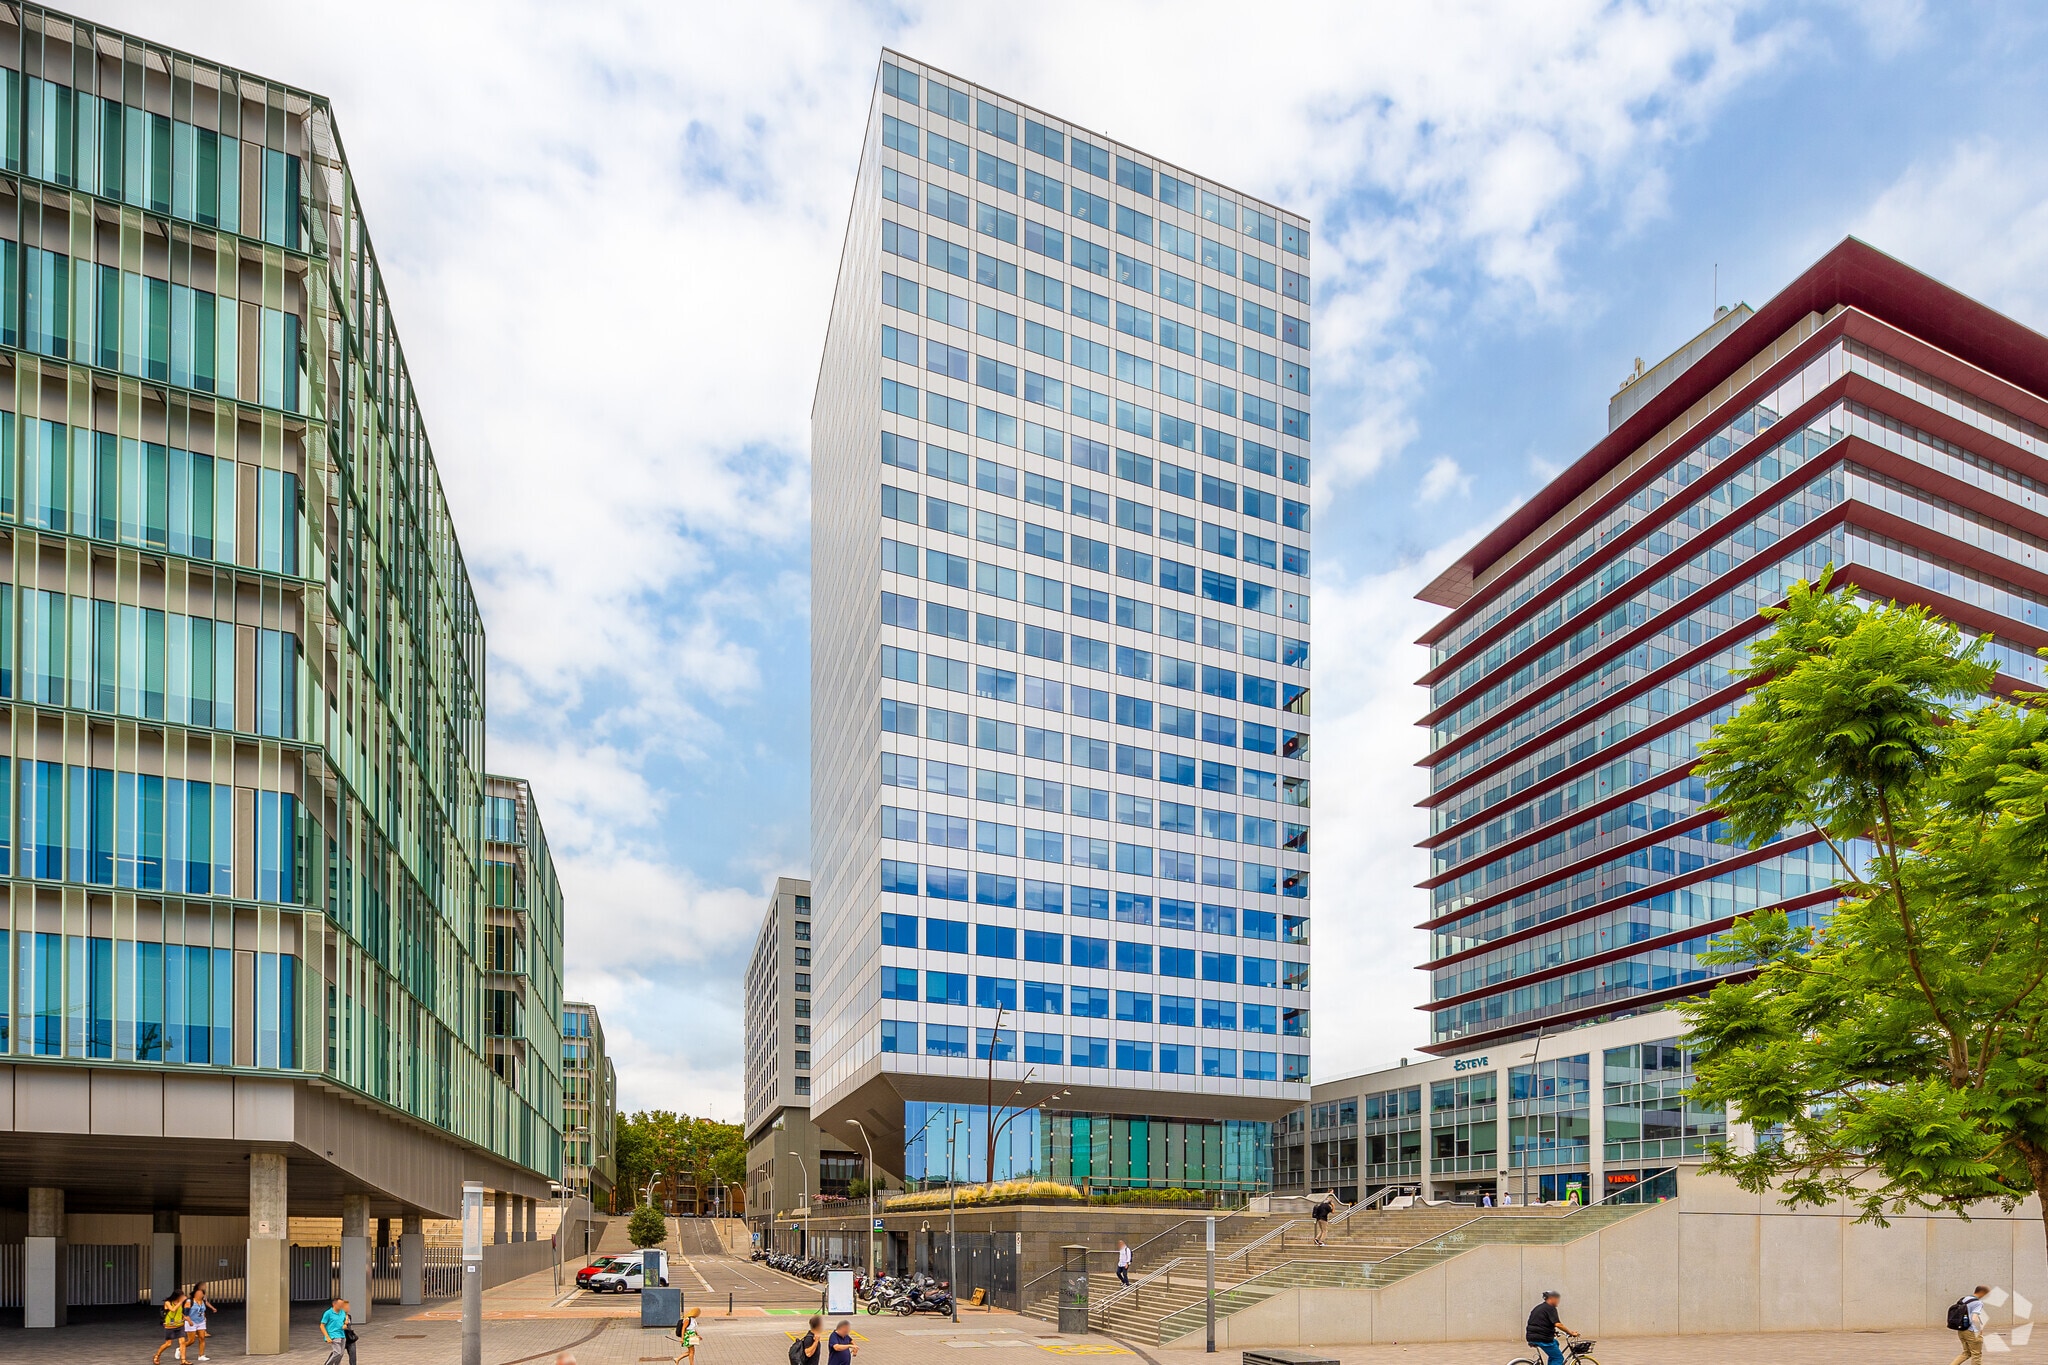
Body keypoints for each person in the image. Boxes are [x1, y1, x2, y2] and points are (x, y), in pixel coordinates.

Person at [1525, 1290, 1577, 1365]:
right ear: (1551, 1298)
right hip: (1542, 1338)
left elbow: (1541, 1323)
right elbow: (1558, 1324)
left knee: (1555, 1343)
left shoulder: (1540, 1307)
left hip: (1532, 1336)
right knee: (1558, 1358)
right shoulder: (1550, 1308)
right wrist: (1570, 1332)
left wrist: (1553, 1332)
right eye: (1557, 1299)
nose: (1558, 1301)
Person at [1950, 1285, 1991, 1365]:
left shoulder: (1964, 1299)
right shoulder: (1978, 1303)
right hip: (1972, 1331)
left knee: (1966, 1353)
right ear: (1982, 1293)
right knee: (1976, 1354)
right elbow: (1974, 1318)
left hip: (1962, 1330)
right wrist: (1979, 1330)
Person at [152, 1291, 188, 1365]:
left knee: (182, 1342)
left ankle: (183, 1360)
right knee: (168, 1344)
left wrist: (185, 1318)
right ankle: (157, 1355)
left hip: (180, 1325)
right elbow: (173, 1309)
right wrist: (180, 1302)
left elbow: (179, 1311)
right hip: (170, 1326)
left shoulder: (180, 1303)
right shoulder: (168, 1302)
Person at [184, 1284, 213, 1362]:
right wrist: (189, 1321)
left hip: (201, 1321)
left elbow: (203, 1311)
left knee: (202, 1338)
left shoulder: (203, 1301)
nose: (199, 1295)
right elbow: (185, 1313)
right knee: (191, 1340)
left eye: (201, 1293)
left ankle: (201, 1355)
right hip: (191, 1321)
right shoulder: (189, 1301)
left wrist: (204, 1318)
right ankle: (180, 1348)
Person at [321, 1297, 350, 1365]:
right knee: (337, 1352)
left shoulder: (342, 1312)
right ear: (334, 1304)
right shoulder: (328, 1313)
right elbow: (322, 1325)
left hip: (342, 1335)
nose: (342, 1306)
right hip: (333, 1335)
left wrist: (345, 1324)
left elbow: (345, 1318)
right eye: (340, 1304)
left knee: (341, 1354)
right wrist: (327, 1336)